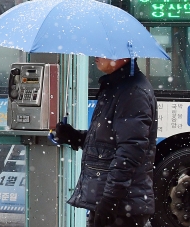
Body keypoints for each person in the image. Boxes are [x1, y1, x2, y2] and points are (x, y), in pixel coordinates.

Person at [53, 57, 157, 227]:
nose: (96, 56)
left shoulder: (133, 92)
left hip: (121, 207)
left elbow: (130, 152)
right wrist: (75, 137)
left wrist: (110, 199)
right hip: (115, 204)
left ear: (123, 54)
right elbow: (109, 142)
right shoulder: (116, 87)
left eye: (103, 52)